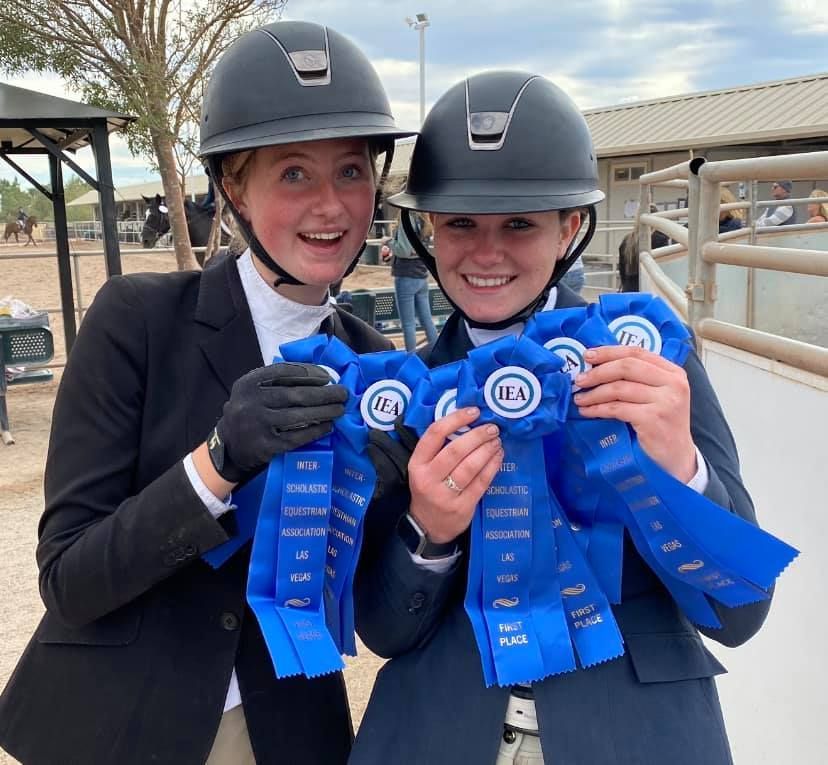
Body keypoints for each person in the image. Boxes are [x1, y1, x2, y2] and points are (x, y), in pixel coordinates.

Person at [0, 20, 417, 765]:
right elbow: (69, 576)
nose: (331, 206)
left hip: (289, 731)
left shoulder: (375, 364)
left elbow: (372, 602)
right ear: (234, 185)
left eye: (351, 171)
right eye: (295, 173)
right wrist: (216, 463)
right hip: (120, 726)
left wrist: (405, 509)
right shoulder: (137, 319)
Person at [351, 71, 772, 765]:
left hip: (633, 731)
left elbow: (739, 614)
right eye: (460, 223)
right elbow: (384, 629)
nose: (486, 252)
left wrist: (679, 470)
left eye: (519, 222)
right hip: (444, 730)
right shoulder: (412, 392)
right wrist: (428, 531)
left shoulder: (650, 361)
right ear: (428, 230)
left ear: (570, 227)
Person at [380, 212, 439, 351]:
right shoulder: (424, 219)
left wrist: (388, 241)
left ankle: (411, 358)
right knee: (427, 320)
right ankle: (438, 352)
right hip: (421, 274)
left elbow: (404, 250)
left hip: (406, 275)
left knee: (408, 324)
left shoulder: (408, 219)